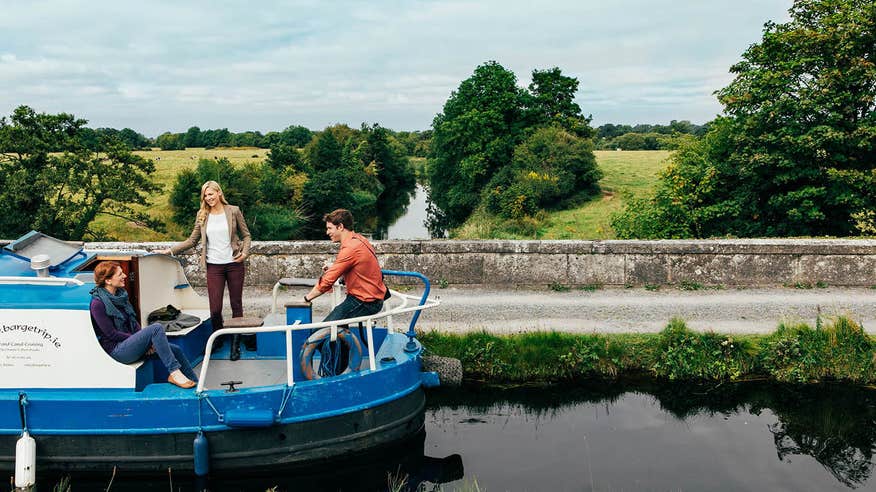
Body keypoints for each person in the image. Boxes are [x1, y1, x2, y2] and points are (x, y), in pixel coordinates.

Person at [157, 181, 252, 360]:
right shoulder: (202, 215)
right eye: (205, 195)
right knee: (215, 309)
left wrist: (245, 252)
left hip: (234, 264)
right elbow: (192, 240)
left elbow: (246, 235)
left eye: (211, 194)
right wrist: (169, 251)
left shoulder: (234, 211)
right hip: (213, 266)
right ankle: (218, 337)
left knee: (236, 304)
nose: (208, 198)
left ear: (218, 193)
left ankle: (235, 342)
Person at [90, 261, 198, 389]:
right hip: (117, 351)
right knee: (156, 328)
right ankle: (174, 373)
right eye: (120, 274)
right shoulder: (98, 303)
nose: (124, 275)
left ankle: (197, 384)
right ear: (108, 280)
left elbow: (134, 324)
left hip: (129, 344)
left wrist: (146, 342)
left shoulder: (120, 297)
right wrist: (143, 342)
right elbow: (111, 334)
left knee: (176, 350)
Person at [304, 208, 388, 323]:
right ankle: (342, 339)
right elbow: (357, 265)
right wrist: (335, 267)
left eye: (329, 228)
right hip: (371, 297)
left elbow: (327, 281)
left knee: (325, 329)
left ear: (340, 227)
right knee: (335, 324)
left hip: (365, 301)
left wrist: (306, 298)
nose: (327, 232)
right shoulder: (359, 239)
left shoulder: (350, 248)